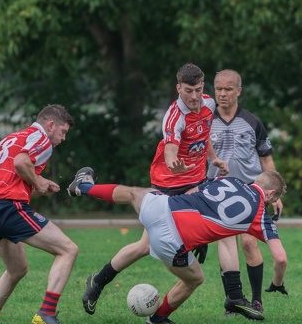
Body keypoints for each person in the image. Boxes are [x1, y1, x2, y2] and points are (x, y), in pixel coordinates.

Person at [77, 63, 229, 316]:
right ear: (178, 87)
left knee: (146, 244)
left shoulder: (209, 104)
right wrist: (174, 165)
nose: (193, 96)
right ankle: (102, 283)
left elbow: (204, 136)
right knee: (145, 243)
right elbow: (170, 149)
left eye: (198, 90)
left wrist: (212, 158)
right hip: (168, 183)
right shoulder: (174, 116)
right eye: (188, 90)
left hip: (194, 183)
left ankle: (98, 282)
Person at [68, 167, 288, 324]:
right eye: (272, 200)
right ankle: (158, 318)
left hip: (163, 206)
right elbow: (280, 258)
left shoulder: (232, 180)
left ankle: (83, 187)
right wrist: (277, 283)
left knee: (134, 193)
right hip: (171, 239)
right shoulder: (260, 215)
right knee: (195, 279)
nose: (270, 205)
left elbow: (196, 192)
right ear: (269, 194)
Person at [0, 104, 78, 324]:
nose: (63, 138)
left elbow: (17, 177)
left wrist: (41, 185)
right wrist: (38, 180)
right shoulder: (41, 140)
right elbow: (21, 163)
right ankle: (46, 314)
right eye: (63, 132)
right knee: (68, 250)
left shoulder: (15, 138)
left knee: (17, 269)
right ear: (50, 125)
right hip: (7, 208)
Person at [207, 69, 287, 315]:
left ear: (238, 91)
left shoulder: (253, 122)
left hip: (251, 194)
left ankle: (255, 299)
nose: (222, 93)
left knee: (250, 243)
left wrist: (275, 194)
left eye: (228, 89)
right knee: (226, 243)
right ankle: (234, 299)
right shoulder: (205, 121)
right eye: (218, 88)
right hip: (218, 194)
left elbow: (267, 160)